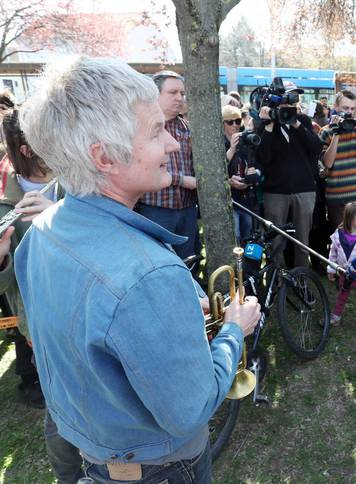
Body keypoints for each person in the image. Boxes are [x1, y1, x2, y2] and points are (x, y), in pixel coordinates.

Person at [15, 56, 261, 484]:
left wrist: (174, 315)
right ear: (105, 156)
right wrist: (234, 329)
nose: (170, 144)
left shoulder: (41, 232)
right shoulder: (148, 274)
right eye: (155, 131)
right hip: (160, 468)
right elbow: (193, 407)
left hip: (96, 454)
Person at [256, 81, 323, 267]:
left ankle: (301, 279)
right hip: (275, 192)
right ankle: (276, 283)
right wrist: (268, 126)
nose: (291, 102)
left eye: (294, 98)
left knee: (302, 242)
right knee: (275, 240)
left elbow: (316, 148)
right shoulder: (265, 123)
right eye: (287, 98)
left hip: (304, 189)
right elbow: (263, 157)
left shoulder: (304, 121)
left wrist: (295, 124)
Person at [137, 70, 200, 261]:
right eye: (173, 93)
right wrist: (181, 180)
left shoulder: (187, 126)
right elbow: (143, 166)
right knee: (156, 262)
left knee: (188, 263)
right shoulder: (142, 126)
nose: (180, 98)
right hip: (156, 209)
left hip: (187, 210)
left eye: (182, 93)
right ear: (155, 94)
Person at [223, 105, 260, 242]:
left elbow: (259, 164)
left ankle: (247, 264)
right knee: (235, 238)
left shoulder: (247, 138)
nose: (235, 125)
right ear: (222, 124)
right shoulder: (218, 142)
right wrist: (232, 148)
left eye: (238, 121)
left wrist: (253, 173)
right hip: (230, 202)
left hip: (248, 200)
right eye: (230, 122)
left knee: (249, 238)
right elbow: (218, 169)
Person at [319, 90, 356, 231]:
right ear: (336, 107)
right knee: (341, 245)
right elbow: (327, 163)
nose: (349, 112)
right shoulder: (326, 131)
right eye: (345, 108)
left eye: (353, 109)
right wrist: (336, 134)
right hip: (337, 199)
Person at [327, 201, 356, 326]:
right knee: (343, 295)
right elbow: (333, 254)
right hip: (345, 273)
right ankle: (336, 316)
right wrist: (331, 269)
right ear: (350, 218)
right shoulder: (338, 235)